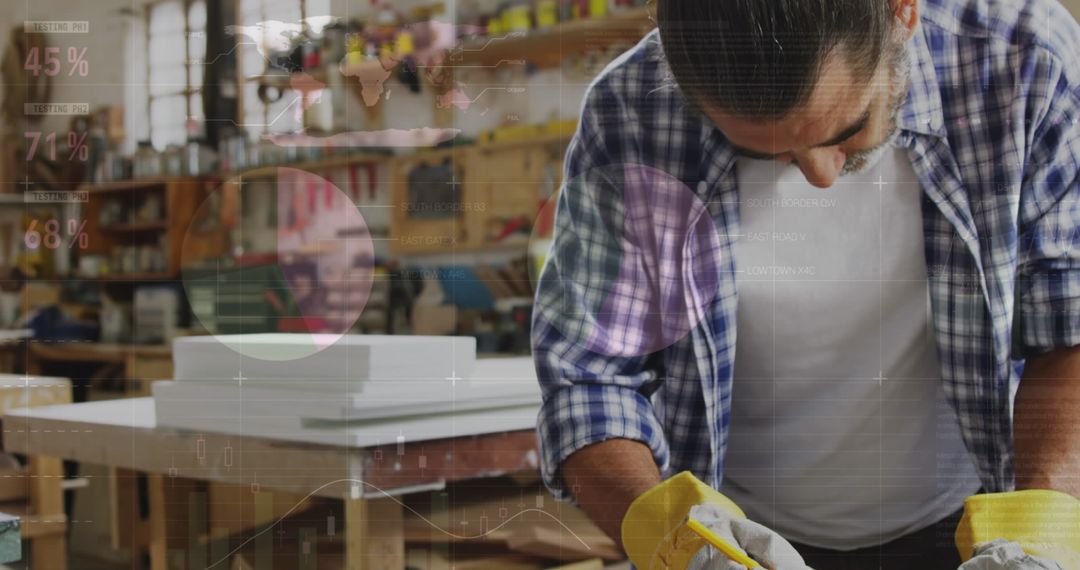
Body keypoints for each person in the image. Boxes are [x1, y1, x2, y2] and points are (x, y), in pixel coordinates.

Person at [531, 0, 1080, 568]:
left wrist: (1039, 535)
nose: (820, 175)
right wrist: (680, 540)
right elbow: (587, 378)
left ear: (903, 13)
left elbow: (1070, 326)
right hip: (738, 533)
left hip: (968, 516)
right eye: (762, 152)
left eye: (849, 129)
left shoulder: (1024, 62)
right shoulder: (631, 111)